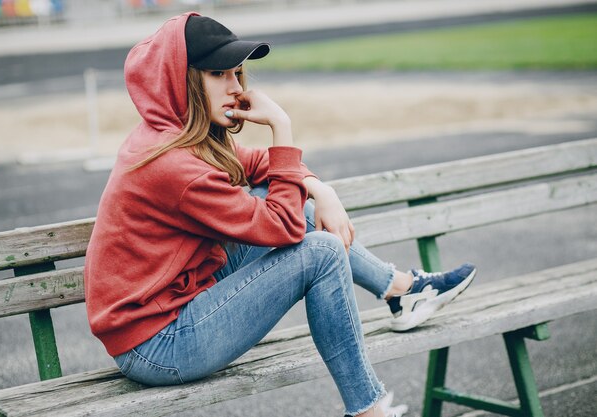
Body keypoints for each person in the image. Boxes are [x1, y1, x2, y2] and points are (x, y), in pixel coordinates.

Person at [84, 13, 477, 417]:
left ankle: (400, 291)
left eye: (238, 73)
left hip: (177, 303)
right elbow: (284, 228)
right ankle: (367, 409)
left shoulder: (174, 135)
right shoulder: (172, 165)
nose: (235, 88)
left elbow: (258, 167)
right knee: (320, 252)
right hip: (157, 345)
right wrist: (281, 126)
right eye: (219, 74)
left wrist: (322, 188)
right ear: (179, 79)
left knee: (272, 194)